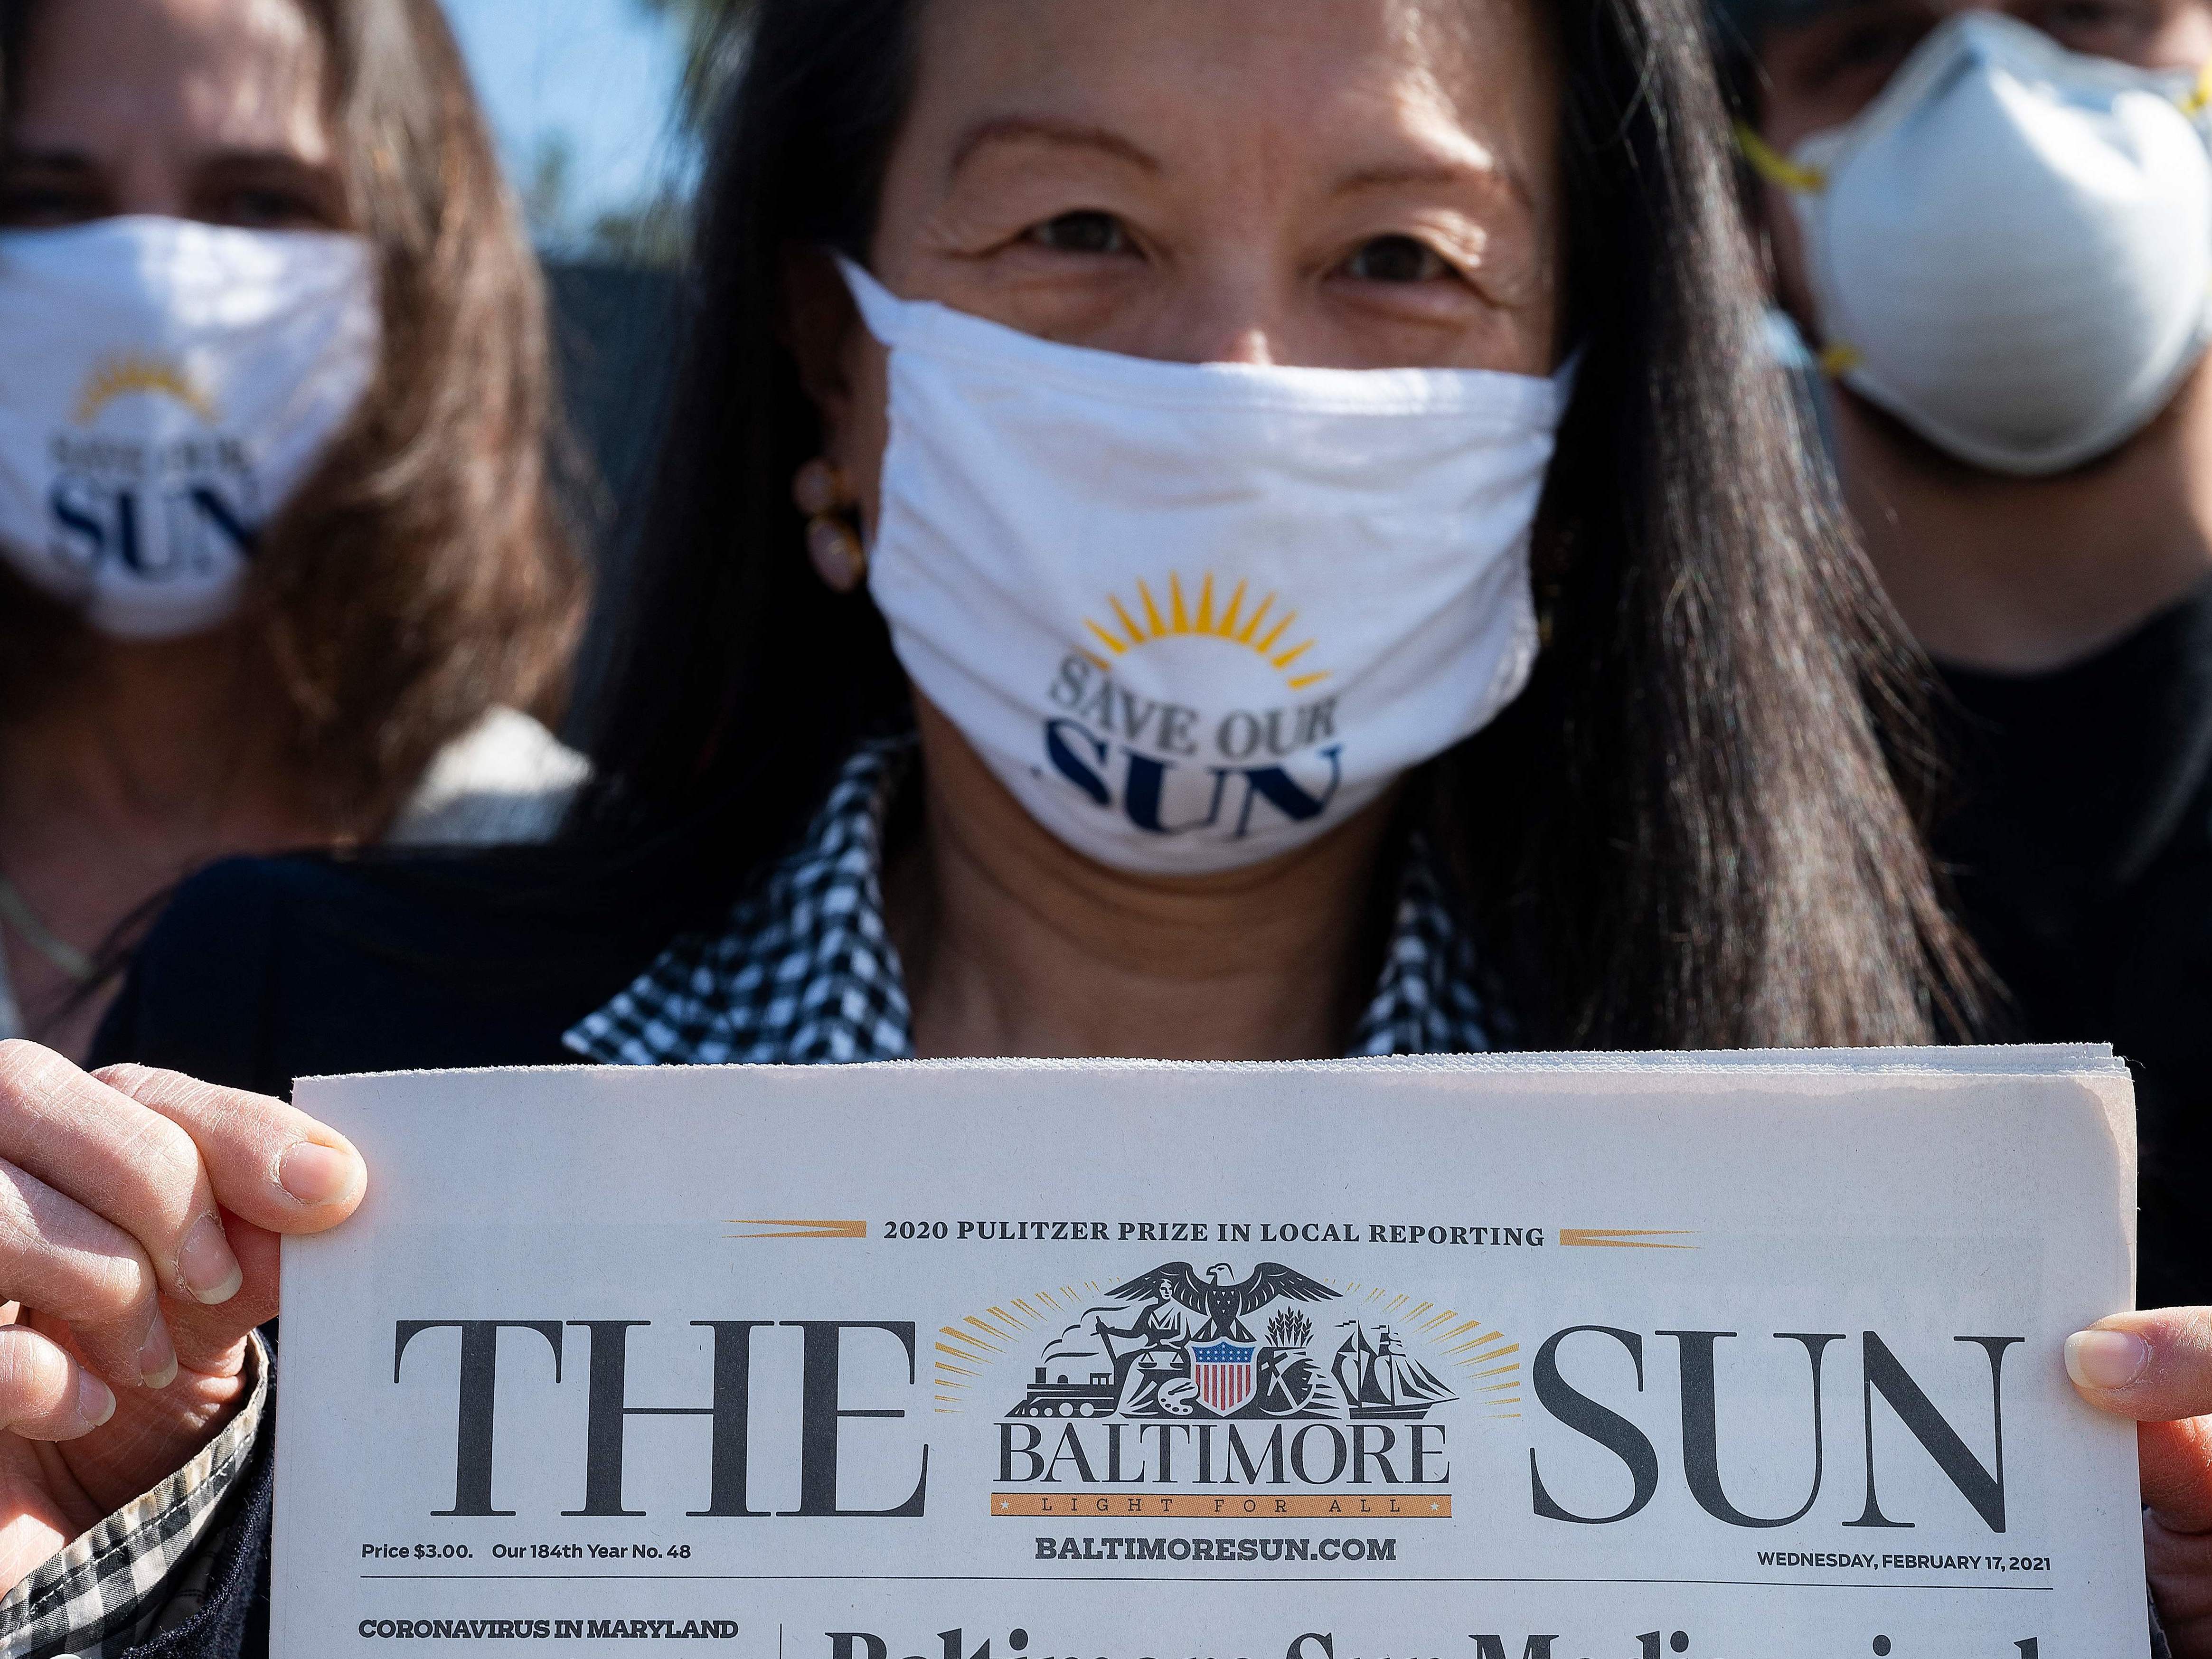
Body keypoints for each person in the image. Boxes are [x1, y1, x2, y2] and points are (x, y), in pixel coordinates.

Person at [0, 0, 2205, 1652]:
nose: (1227, 381)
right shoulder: (312, 1091)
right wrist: (87, 1550)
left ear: (1570, 416)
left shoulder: (1910, 1261)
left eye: (1397, 260)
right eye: (1078, 227)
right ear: (829, 361)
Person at [1715, 0, 2212, 1310]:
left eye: (2090, 14)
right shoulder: (1602, 796)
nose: (1996, 99)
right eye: (1871, 43)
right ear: (1747, 208)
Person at [0, 0, 589, 1061]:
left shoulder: (561, 870)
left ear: (424, 270)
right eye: (48, 200)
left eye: (259, 201)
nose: (148, 285)